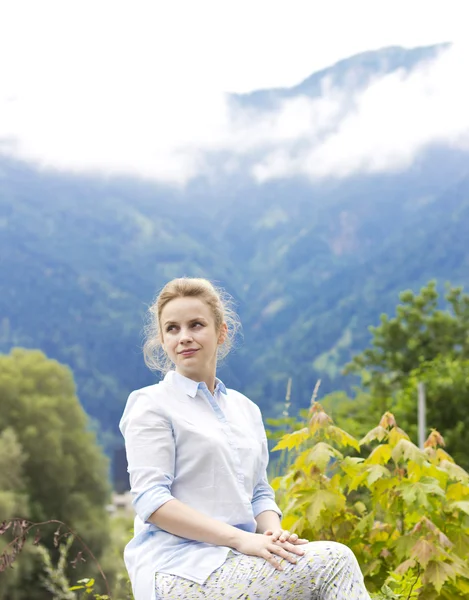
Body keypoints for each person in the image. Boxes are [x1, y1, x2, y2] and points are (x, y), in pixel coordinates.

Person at [119, 277, 371, 600]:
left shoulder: (245, 410)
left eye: (196, 325)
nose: (184, 338)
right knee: (335, 562)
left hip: (239, 560)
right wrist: (240, 539)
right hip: (178, 569)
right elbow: (152, 502)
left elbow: (260, 493)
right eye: (172, 329)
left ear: (221, 332)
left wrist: (273, 535)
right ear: (163, 339)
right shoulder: (151, 405)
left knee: (306, 563)